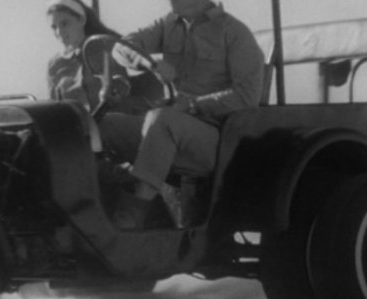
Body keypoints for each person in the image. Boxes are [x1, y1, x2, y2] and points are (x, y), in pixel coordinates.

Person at [105, 0, 264, 229]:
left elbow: (247, 97)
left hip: (215, 142)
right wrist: (149, 63)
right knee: (106, 125)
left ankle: (131, 218)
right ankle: (100, 208)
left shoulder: (235, 32)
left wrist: (192, 105)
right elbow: (120, 48)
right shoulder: (168, 24)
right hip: (169, 128)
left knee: (161, 119)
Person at [46, 0, 122, 110]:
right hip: (78, 125)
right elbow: (54, 109)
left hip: (117, 122)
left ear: (82, 20)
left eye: (64, 24)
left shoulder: (109, 49)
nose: (59, 32)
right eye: (54, 27)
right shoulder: (54, 65)